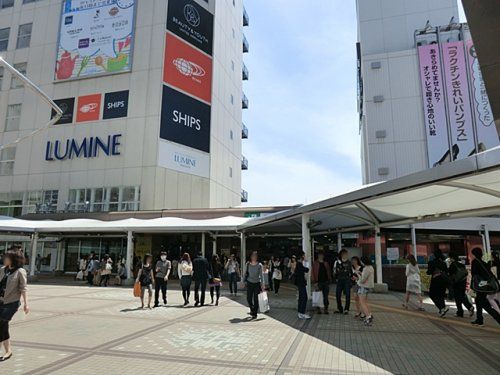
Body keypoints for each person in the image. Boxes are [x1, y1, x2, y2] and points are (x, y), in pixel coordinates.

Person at [0, 248, 29, 362]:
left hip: (11, 303)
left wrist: (26, 304)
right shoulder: (3, 269)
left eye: (6, 257)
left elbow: (23, 288)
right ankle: (8, 351)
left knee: (2, 321)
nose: (4, 259)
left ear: (13, 259)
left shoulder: (20, 271)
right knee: (2, 325)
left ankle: (7, 350)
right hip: (1, 301)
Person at [470, 247, 500, 326]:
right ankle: (479, 319)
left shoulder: (475, 262)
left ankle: (498, 318)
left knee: (484, 304)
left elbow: (474, 274)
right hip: (486, 284)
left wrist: (475, 286)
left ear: (474, 254)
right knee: (478, 301)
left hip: (481, 285)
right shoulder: (484, 262)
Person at [448, 252, 474, 318]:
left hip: (456, 284)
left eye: (450, 258)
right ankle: (469, 307)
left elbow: (450, 275)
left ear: (452, 258)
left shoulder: (452, 265)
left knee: (457, 298)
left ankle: (460, 312)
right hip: (463, 283)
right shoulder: (461, 264)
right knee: (462, 296)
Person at [426, 249, 449, 317]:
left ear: (434, 255)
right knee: (441, 295)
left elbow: (429, 272)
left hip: (435, 281)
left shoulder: (432, 262)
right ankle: (443, 309)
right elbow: (446, 271)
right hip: (443, 281)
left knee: (432, 294)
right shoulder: (444, 263)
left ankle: (442, 308)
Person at [244, 251, 265, 319]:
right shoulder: (248, 264)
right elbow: (245, 273)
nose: (254, 257)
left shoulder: (259, 265)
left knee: (256, 299)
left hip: (257, 283)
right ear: (250, 256)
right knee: (249, 298)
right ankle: (252, 309)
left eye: (255, 256)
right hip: (249, 283)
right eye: (253, 256)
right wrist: (242, 281)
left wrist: (263, 284)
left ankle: (255, 313)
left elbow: (262, 275)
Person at [334, 249, 352, 314]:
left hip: (347, 280)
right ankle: (339, 308)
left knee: (348, 295)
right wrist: (335, 278)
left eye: (346, 254)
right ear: (341, 255)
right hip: (339, 280)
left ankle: (346, 309)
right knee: (337, 294)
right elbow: (335, 271)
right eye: (344, 254)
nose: (345, 255)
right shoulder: (337, 262)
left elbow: (351, 271)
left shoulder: (349, 262)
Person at [358, 256, 375, 326]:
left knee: (362, 303)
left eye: (361, 261)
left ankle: (368, 316)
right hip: (368, 287)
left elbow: (362, 280)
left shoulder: (366, 268)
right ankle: (369, 314)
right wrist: (361, 274)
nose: (361, 263)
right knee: (365, 302)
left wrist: (358, 276)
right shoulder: (371, 267)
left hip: (364, 287)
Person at [295, 251, 310, 319]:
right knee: (304, 297)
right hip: (301, 283)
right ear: (301, 256)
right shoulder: (299, 264)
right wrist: (307, 262)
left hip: (300, 283)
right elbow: (306, 270)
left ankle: (300, 312)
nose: (305, 257)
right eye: (304, 255)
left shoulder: (299, 264)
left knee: (301, 297)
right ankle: (301, 313)